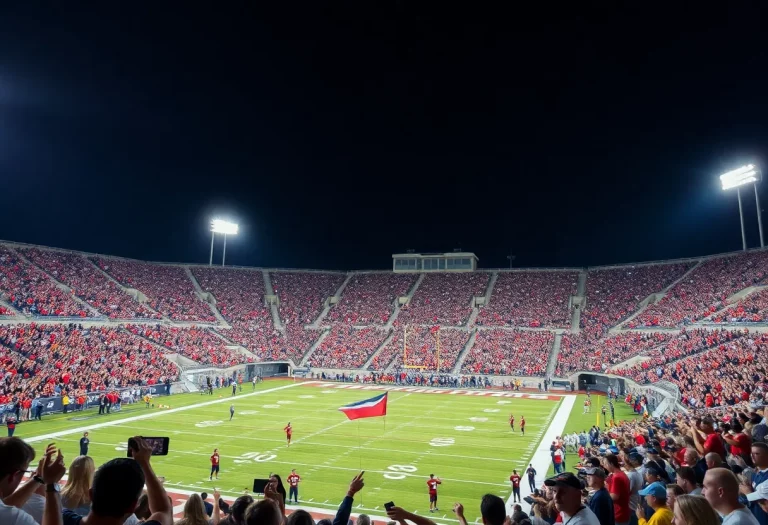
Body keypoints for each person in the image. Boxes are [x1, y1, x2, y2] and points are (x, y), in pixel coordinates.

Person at [62, 436, 173, 525]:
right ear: (133, 506)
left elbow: (47, 506)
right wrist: (145, 464)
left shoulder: (60, 518)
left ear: (91, 494)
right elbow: (163, 510)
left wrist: (50, 486)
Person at [0, 437, 39, 525]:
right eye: (24, 472)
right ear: (14, 475)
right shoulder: (15, 518)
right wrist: (52, 488)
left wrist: (38, 478)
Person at [604, 454, 631, 525]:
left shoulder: (616, 477)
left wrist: (602, 496)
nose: (604, 466)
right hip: (623, 511)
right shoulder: (621, 474)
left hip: (618, 513)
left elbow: (614, 497)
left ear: (611, 464)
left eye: (606, 464)